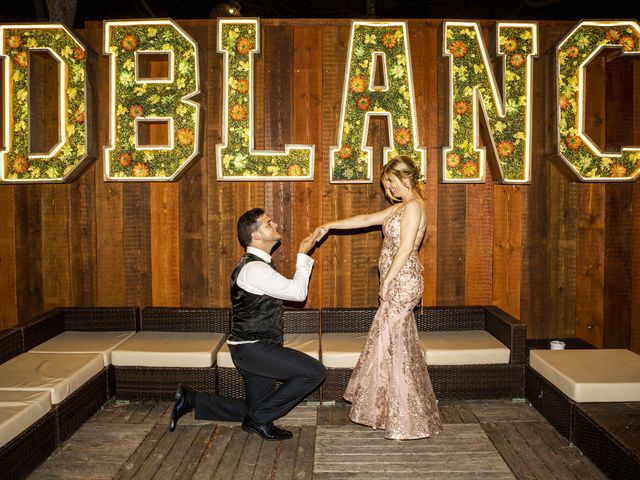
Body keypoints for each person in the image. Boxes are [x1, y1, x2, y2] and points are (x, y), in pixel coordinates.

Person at [314, 155, 443, 440]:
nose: (390, 189)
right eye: (387, 185)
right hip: (397, 281)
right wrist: (329, 225)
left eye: (392, 182)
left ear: (406, 177)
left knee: (393, 345)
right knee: (393, 345)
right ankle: (393, 411)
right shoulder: (400, 208)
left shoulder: (413, 208)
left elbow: (407, 247)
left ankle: (404, 417)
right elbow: (364, 219)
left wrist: (387, 280)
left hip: (402, 282)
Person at [170, 208, 326, 441]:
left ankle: (192, 400)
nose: (275, 225)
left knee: (256, 408)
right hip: (253, 349)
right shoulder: (254, 269)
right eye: (268, 223)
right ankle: (258, 420)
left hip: (253, 347)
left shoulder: (259, 265)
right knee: (314, 372)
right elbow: (297, 293)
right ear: (256, 236)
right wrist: (303, 255)